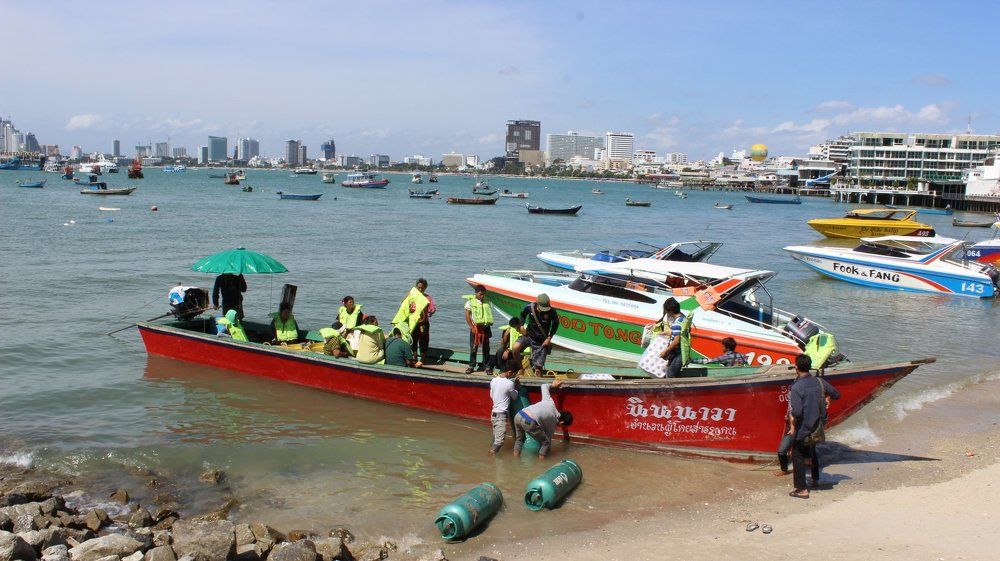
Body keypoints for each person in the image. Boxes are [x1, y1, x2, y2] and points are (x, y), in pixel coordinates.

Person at [788, 354, 841, 499]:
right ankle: (815, 479)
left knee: (797, 455)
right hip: (817, 425)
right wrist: (827, 399)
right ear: (810, 366)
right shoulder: (819, 381)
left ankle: (801, 489)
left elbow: (797, 411)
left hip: (804, 427)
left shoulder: (797, 387)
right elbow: (836, 394)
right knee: (812, 449)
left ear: (796, 367)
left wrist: (792, 419)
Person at [513, 379, 573, 459]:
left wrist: (553, 385)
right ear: (561, 423)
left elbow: (544, 386)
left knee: (519, 439)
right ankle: (542, 463)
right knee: (546, 442)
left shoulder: (550, 402)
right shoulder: (553, 421)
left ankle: (515, 458)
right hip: (529, 421)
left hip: (518, 415)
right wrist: (548, 452)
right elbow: (548, 440)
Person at [637, 298, 686, 378]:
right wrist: (666, 332)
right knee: (669, 374)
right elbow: (680, 334)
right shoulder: (683, 318)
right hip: (679, 352)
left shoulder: (677, 323)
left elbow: (676, 341)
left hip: (678, 354)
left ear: (670, 311)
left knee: (670, 376)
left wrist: (665, 351)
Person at [392, 279, 434, 365]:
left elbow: (432, 309)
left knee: (424, 341)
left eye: (422, 288)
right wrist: (408, 295)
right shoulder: (412, 296)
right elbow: (403, 304)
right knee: (413, 340)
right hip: (413, 323)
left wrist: (431, 312)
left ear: (425, 288)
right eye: (419, 288)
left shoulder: (427, 297)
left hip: (423, 323)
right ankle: (414, 358)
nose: (420, 290)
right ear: (416, 287)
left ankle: (422, 360)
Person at [518, 293, 559, 377]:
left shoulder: (552, 311)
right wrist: (521, 325)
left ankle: (539, 382)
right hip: (528, 336)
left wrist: (549, 338)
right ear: (537, 303)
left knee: (538, 369)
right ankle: (520, 368)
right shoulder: (529, 307)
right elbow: (522, 315)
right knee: (515, 348)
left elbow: (555, 324)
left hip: (540, 341)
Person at [464, 285, 495, 374]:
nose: (482, 296)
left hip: (486, 327)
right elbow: (467, 315)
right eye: (480, 294)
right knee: (474, 347)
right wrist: (471, 326)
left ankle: (487, 367)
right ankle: (471, 366)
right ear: (476, 293)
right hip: (476, 327)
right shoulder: (470, 302)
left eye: (484, 294)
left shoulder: (487, 301)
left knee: (486, 347)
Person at [488, 369, 519, 455]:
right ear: (509, 372)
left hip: (494, 413)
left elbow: (491, 395)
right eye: (513, 373)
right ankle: (490, 459)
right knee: (499, 441)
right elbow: (514, 397)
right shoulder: (509, 383)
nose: (513, 375)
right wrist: (516, 386)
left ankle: (490, 455)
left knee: (495, 437)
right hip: (501, 415)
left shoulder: (493, 380)